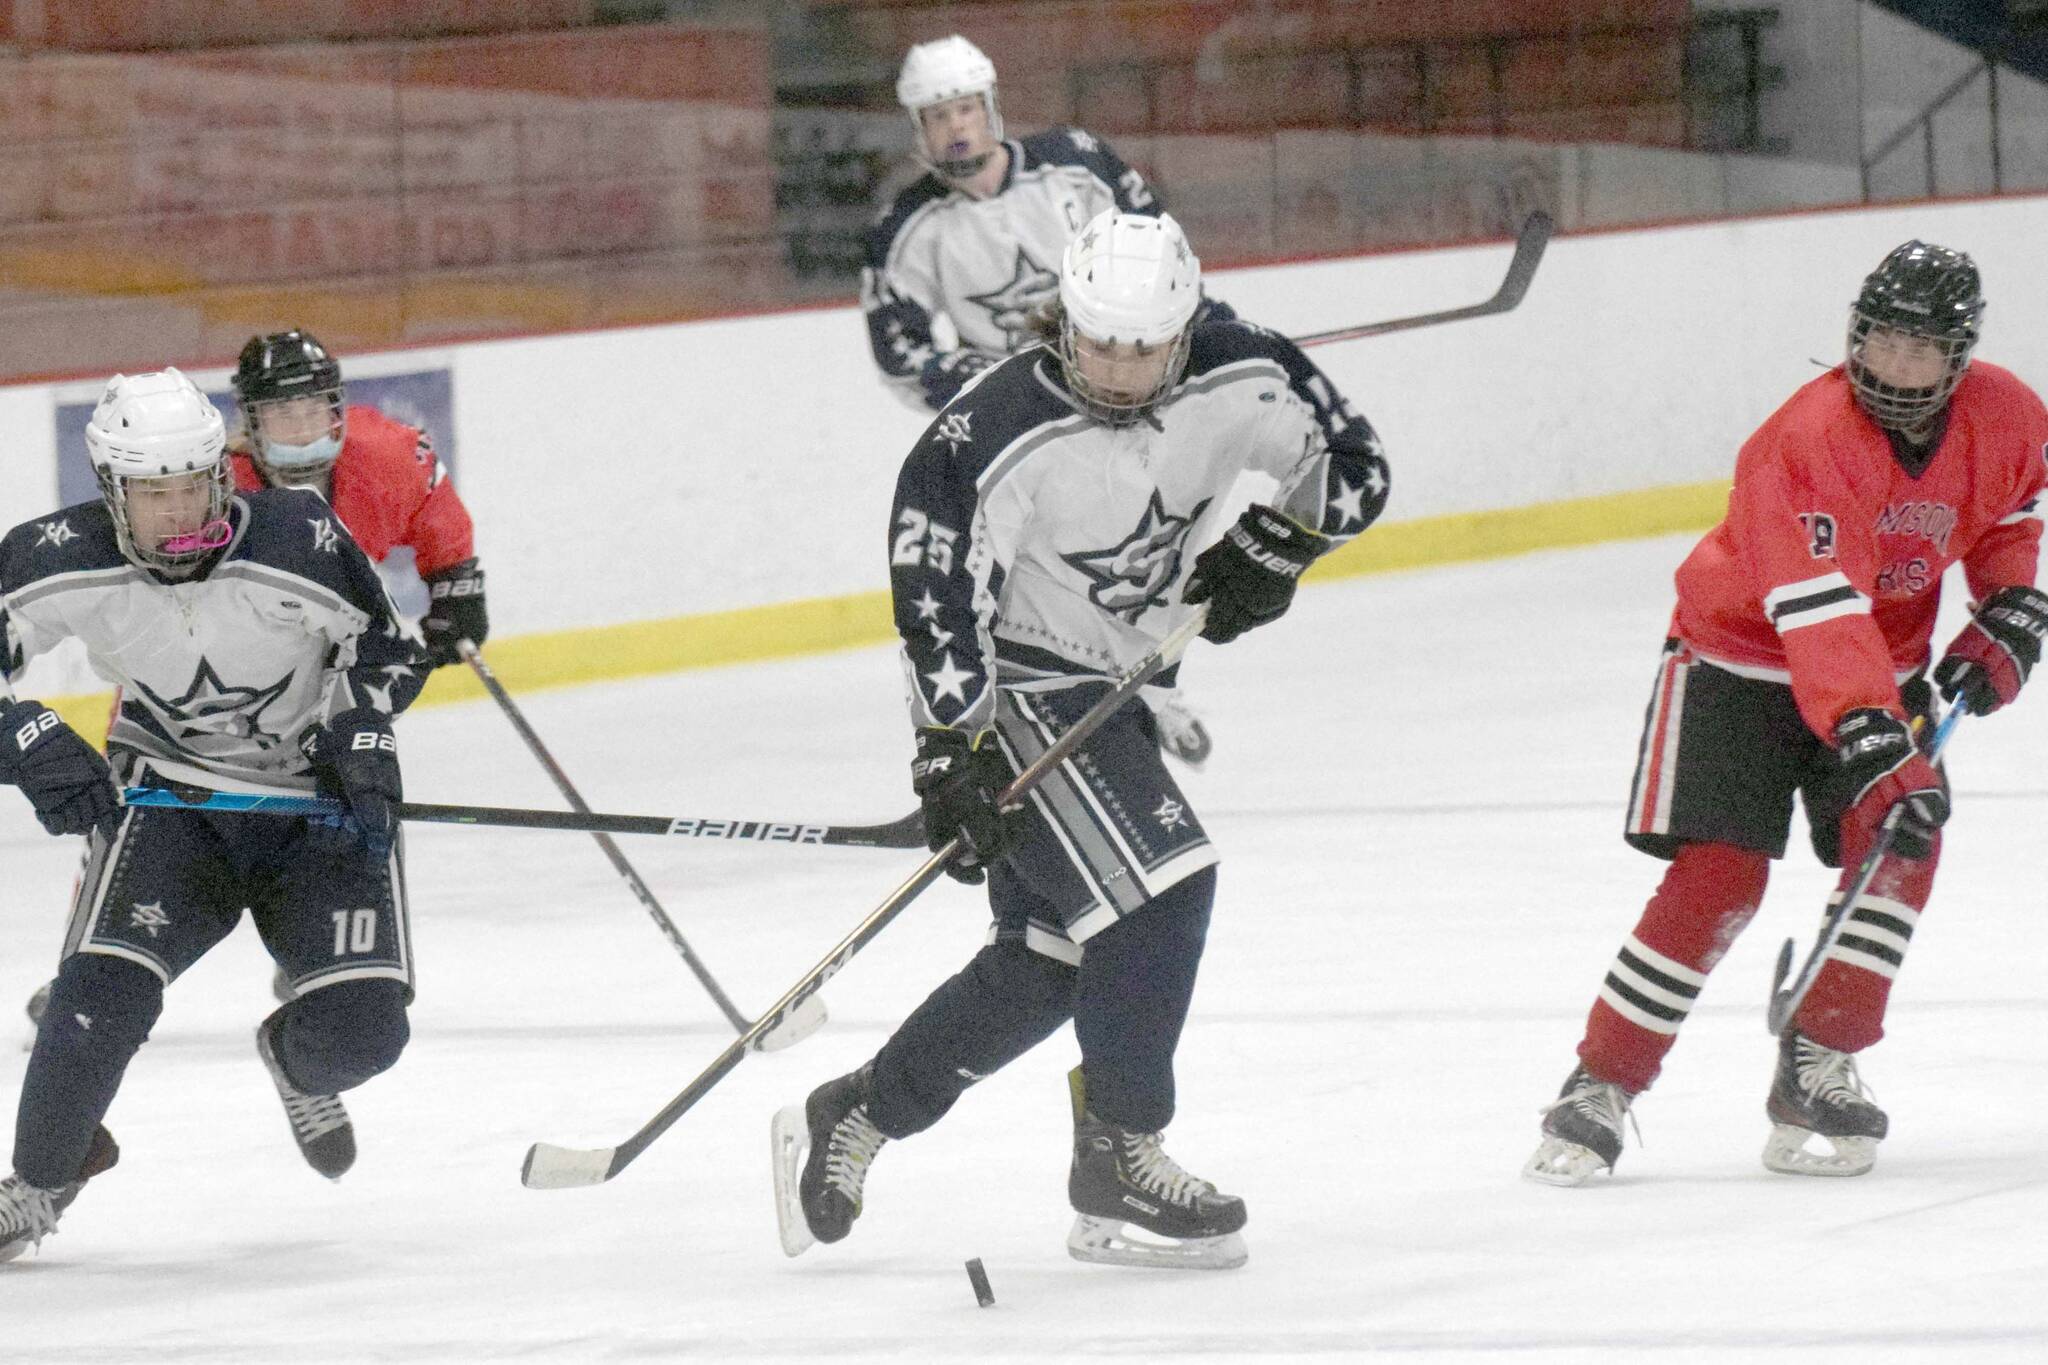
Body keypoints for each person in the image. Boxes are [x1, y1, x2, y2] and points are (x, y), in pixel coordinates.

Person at [772, 209, 1390, 1269]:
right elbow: (935, 602)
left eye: (1141, 348)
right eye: (1096, 341)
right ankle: (1121, 1148)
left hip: (1118, 681)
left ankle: (859, 1114)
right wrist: (950, 750)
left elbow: (1355, 462)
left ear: (1182, 327)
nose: (1116, 368)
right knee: (1165, 890)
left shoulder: (1244, 370)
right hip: (1015, 685)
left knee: (1049, 960)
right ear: (1064, 317)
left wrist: (1279, 543)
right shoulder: (987, 432)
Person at [1524, 241, 2048, 1187]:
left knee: (1899, 847)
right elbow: (1819, 609)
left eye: (1920, 352)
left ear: (1960, 358)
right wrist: (1872, 726)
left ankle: (1820, 1059)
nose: (1894, 369)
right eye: (1882, 342)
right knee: (1719, 879)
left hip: (1874, 672)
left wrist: (2008, 603)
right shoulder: (1804, 442)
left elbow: (2013, 505)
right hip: (1738, 664)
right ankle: (1600, 1080)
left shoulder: (2009, 414)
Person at [0, 370, 429, 1260]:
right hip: (170, 801)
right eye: (153, 493)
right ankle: (41, 1181)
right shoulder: (50, 556)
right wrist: (24, 732)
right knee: (94, 998)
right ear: (112, 490)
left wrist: (359, 726)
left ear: (220, 475)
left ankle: (293, 1055)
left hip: (316, 805)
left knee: (364, 1034)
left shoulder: (298, 537)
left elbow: (385, 648)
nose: (178, 509)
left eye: (193, 484)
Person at [21, 328, 484, 1031]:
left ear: (338, 409)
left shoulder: (385, 452)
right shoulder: (208, 490)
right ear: (247, 425)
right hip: (199, 674)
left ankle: (320, 957)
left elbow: (430, 497)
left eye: (314, 410)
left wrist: (455, 580)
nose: (302, 428)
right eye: (280, 415)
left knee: (356, 803)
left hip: (323, 679)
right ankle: (89, 963)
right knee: (132, 808)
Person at [864, 33, 1233, 766]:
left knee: (1144, 550)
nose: (957, 127)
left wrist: (1212, 334)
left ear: (993, 107)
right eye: (938, 116)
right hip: (1024, 430)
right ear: (918, 129)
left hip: (1122, 396)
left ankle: (1156, 691)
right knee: (1026, 579)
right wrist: (1000, 377)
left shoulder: (1078, 163)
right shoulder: (904, 229)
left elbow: (1160, 251)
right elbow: (900, 356)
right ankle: (1004, 712)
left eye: (967, 107)